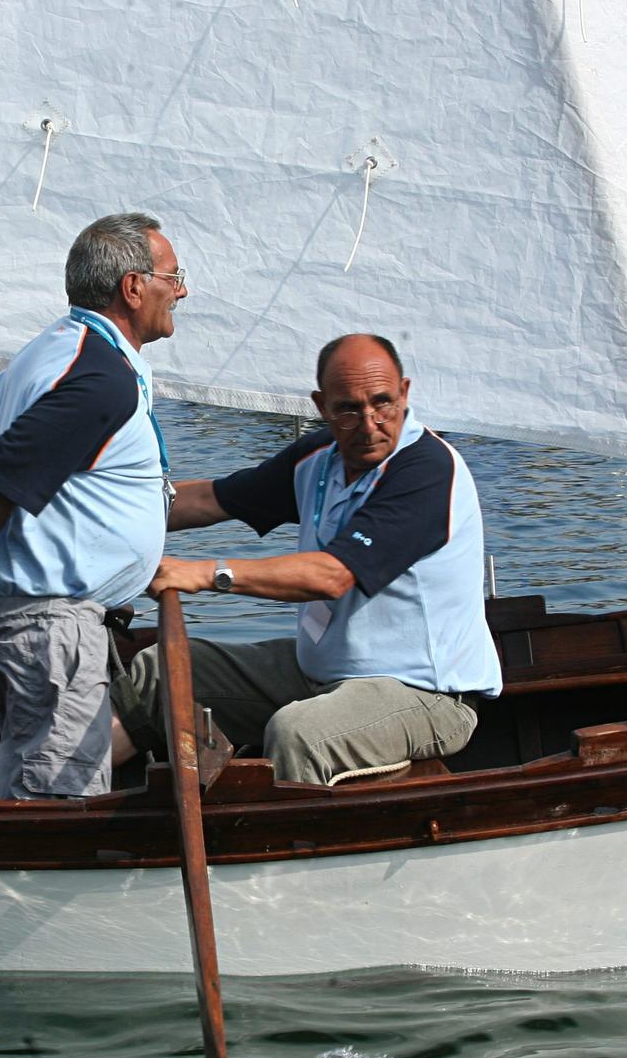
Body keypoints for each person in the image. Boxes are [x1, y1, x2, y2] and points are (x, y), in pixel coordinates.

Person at [110, 333, 502, 785]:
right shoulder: (318, 459)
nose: (370, 423)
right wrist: (88, 522)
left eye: (383, 403)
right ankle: (64, 797)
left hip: (428, 694)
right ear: (321, 406)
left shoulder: (426, 470)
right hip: (320, 674)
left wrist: (205, 573)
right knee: (160, 670)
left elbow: (332, 577)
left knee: (299, 733)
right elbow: (208, 500)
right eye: (349, 409)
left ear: (406, 392)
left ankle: (283, 851)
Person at [0, 211, 188, 799]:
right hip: (50, 632)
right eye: (173, 276)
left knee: (44, 794)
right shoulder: (99, 376)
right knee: (55, 810)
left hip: (31, 623)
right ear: (133, 287)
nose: (181, 291)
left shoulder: (48, 353)